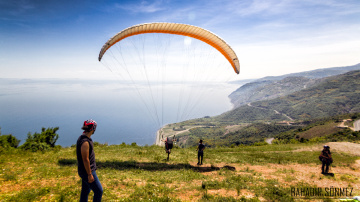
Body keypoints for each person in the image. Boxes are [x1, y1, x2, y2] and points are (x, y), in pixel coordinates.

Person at [76, 119, 103, 202]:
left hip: (84, 171)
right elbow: (85, 159)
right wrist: (89, 174)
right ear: (93, 129)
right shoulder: (85, 142)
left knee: (85, 191)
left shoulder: (83, 138)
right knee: (98, 191)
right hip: (87, 171)